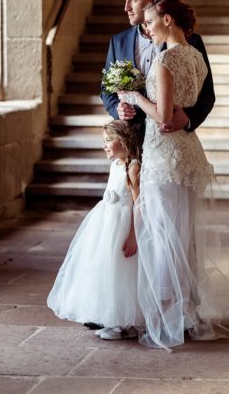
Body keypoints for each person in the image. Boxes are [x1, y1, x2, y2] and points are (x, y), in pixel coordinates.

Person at [118, 0, 229, 350]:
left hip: (165, 158)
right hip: (187, 155)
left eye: (149, 22)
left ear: (167, 20)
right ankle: (185, 313)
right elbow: (185, 110)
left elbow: (164, 118)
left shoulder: (166, 60)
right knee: (182, 238)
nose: (146, 29)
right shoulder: (196, 57)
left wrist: (136, 98)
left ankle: (168, 317)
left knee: (162, 240)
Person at [47, 120, 144, 340]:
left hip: (122, 226)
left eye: (109, 140)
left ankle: (122, 323)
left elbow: (139, 204)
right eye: (104, 141)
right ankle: (112, 318)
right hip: (105, 224)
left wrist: (133, 235)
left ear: (124, 140)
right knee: (104, 270)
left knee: (121, 273)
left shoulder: (133, 167)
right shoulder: (116, 165)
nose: (105, 145)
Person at [101, 0, 215, 133]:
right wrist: (117, 110)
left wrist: (188, 119)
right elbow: (107, 89)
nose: (126, 7)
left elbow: (207, 93)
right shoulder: (119, 41)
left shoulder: (191, 42)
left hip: (172, 135)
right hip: (133, 135)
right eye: (125, 0)